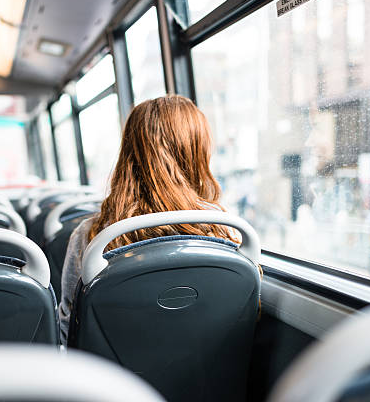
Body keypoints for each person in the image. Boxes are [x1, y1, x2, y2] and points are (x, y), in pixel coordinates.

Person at [59, 95, 257, 344]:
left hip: (113, 382)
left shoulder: (91, 239)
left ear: (128, 155)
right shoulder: (225, 231)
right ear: (197, 152)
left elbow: (69, 332)